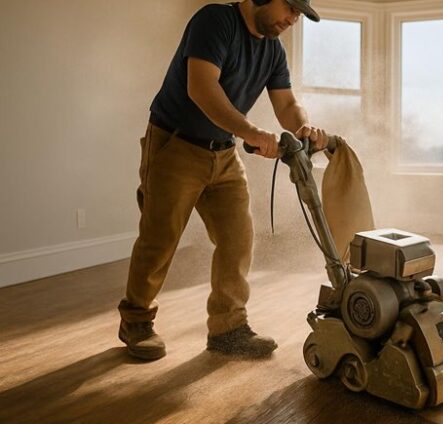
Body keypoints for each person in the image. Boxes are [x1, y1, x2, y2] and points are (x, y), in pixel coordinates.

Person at [117, 0, 330, 360]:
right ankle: (136, 321)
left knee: (238, 238)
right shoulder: (215, 20)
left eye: (299, 13)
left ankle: (228, 329)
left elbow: (286, 104)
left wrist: (302, 125)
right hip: (176, 143)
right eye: (290, 7)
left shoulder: (273, 50)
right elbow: (201, 87)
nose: (293, 18)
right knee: (160, 237)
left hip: (225, 152)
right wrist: (249, 131)